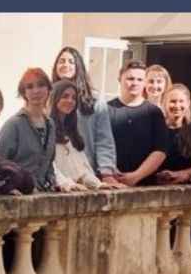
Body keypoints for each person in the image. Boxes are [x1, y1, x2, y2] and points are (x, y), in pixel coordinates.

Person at [52, 47, 118, 184]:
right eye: (61, 61)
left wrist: (106, 172)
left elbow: (104, 138)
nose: (65, 65)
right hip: (57, 174)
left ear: (79, 66)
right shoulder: (46, 96)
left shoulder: (94, 100)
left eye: (71, 61)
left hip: (87, 173)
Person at [102, 61, 172, 187]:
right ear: (120, 80)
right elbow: (100, 146)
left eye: (140, 79)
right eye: (130, 79)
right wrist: (110, 173)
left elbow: (160, 150)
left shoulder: (154, 113)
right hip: (112, 183)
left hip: (147, 184)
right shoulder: (105, 110)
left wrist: (137, 175)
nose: (135, 83)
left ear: (144, 82)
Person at [0, 68, 58, 192]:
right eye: (30, 87)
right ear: (23, 93)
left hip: (43, 194)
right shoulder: (14, 124)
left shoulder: (50, 125)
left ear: (48, 89)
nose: (36, 91)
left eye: (41, 85)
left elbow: (48, 163)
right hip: (19, 193)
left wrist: (52, 181)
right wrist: (8, 187)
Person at [48, 78, 104, 191]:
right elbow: (49, 167)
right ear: (54, 98)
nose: (70, 101)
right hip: (56, 191)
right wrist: (67, 184)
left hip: (76, 191)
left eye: (73, 98)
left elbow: (83, 169)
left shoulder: (72, 132)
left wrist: (98, 184)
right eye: (65, 96)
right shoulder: (47, 129)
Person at [153, 84, 191, 185]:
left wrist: (179, 174)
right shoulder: (155, 128)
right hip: (155, 184)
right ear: (164, 103)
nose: (177, 106)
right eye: (173, 101)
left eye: (181, 101)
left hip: (185, 186)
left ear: (188, 103)